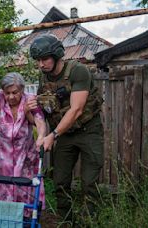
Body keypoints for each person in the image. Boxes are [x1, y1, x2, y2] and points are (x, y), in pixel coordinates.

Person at [29, 34, 104, 221]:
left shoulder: (78, 71)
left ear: (57, 55)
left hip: (88, 130)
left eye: (44, 59)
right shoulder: (43, 78)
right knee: (60, 181)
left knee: (89, 182)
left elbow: (77, 109)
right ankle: (66, 220)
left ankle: (89, 221)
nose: (40, 64)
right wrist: (31, 111)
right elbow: (45, 112)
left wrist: (53, 135)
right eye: (38, 60)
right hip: (64, 135)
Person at [0, 72, 46, 216]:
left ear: (22, 90)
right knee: (2, 188)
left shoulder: (29, 100)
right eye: (7, 93)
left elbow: (39, 121)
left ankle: (26, 221)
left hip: (25, 155)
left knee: (24, 188)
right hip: (1, 157)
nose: (11, 97)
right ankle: (2, 219)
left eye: (15, 92)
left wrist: (41, 137)